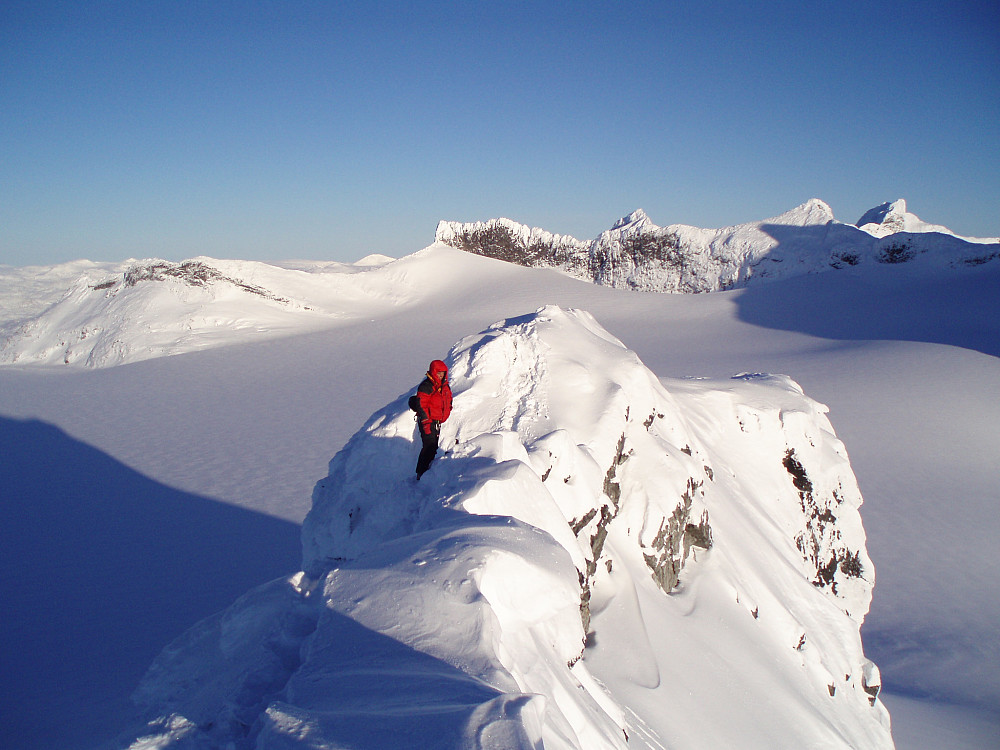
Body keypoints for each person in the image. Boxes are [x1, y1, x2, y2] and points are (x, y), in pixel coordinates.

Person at [410, 359, 453, 479]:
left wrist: (448, 409)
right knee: (429, 445)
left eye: (443, 373)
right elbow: (421, 404)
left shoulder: (444, 386)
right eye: (439, 373)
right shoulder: (427, 386)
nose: (441, 375)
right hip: (428, 420)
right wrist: (425, 421)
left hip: (437, 421)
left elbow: (448, 400)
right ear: (433, 372)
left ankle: (426, 471)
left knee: (433, 446)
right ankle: (421, 473)